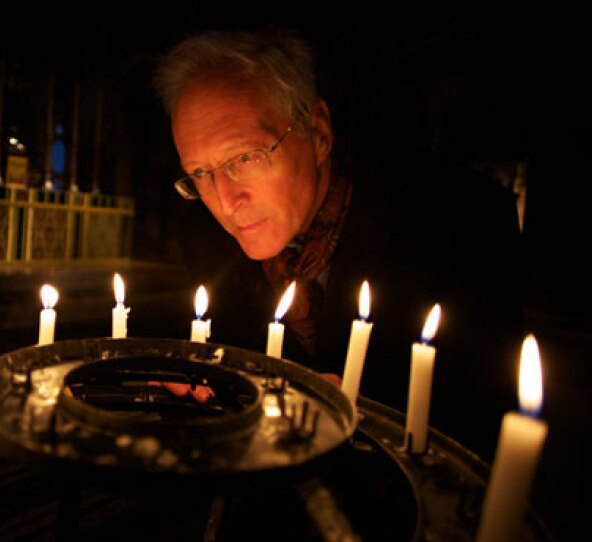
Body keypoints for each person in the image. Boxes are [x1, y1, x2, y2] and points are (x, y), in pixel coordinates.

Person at [152, 28, 524, 461]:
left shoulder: (458, 221)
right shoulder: (204, 242)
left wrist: (368, 422)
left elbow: (486, 436)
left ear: (319, 133)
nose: (225, 202)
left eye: (245, 159)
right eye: (199, 173)